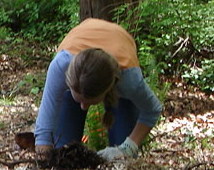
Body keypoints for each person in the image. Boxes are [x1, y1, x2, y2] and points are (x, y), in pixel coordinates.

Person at [34, 18, 163, 161]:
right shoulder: (60, 67)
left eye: (89, 101)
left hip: (119, 45)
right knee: (65, 151)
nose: (83, 107)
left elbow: (152, 109)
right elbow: (44, 130)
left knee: (123, 161)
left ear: (108, 90)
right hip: (77, 49)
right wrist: (45, 164)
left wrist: (128, 147)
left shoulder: (129, 80)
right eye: (80, 100)